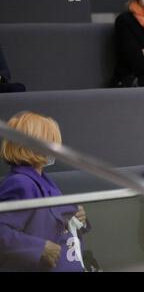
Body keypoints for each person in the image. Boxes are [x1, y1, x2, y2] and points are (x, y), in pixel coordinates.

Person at [0, 112, 89, 272]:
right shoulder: (20, 182)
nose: (55, 147)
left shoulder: (44, 179)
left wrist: (79, 216)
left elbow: (58, 219)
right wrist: (39, 248)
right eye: (49, 141)